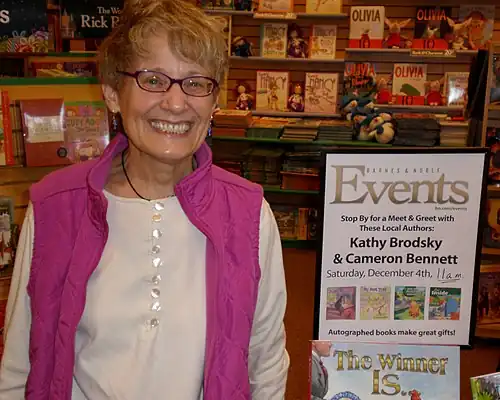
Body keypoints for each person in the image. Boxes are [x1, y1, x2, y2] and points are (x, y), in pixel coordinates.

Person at [0, 0, 289, 398]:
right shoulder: (55, 208)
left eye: (196, 83)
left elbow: (266, 363)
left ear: (214, 102)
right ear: (112, 93)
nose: (176, 103)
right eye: (152, 79)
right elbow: (19, 367)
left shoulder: (249, 215)